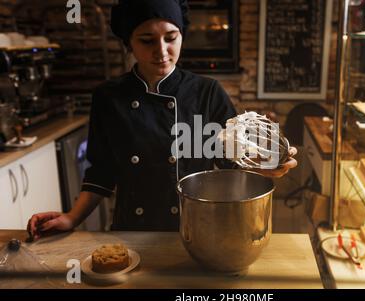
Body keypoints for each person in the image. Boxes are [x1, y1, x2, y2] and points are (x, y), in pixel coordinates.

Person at [27, 0, 298, 239]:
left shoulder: (206, 92)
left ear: (182, 34)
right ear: (128, 42)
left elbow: (229, 158)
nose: (162, 51)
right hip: (132, 230)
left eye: (171, 37)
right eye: (147, 40)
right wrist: (72, 218)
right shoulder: (109, 97)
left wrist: (265, 163)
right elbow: (102, 171)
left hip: (197, 226)